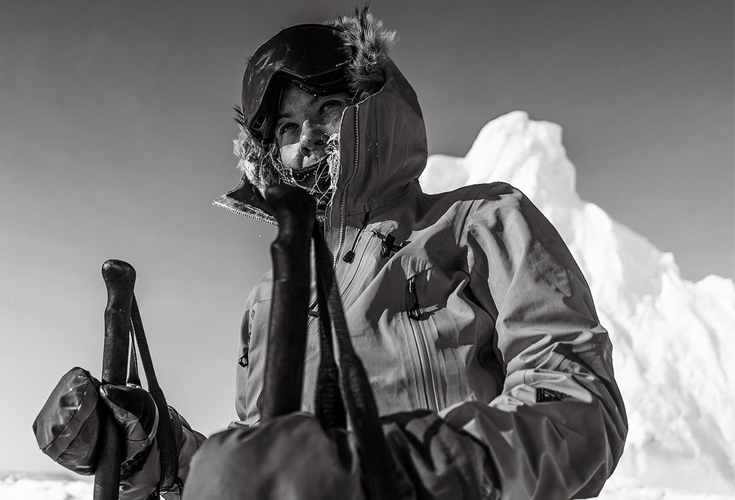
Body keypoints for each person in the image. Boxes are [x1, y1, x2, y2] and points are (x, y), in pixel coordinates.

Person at [34, 10, 626, 500]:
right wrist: (156, 451)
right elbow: (270, 464)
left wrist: (395, 472)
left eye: (326, 110)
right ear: (268, 153)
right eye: (287, 127)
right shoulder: (270, 303)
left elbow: (578, 404)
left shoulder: (482, 222)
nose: (308, 138)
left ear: (373, 109)